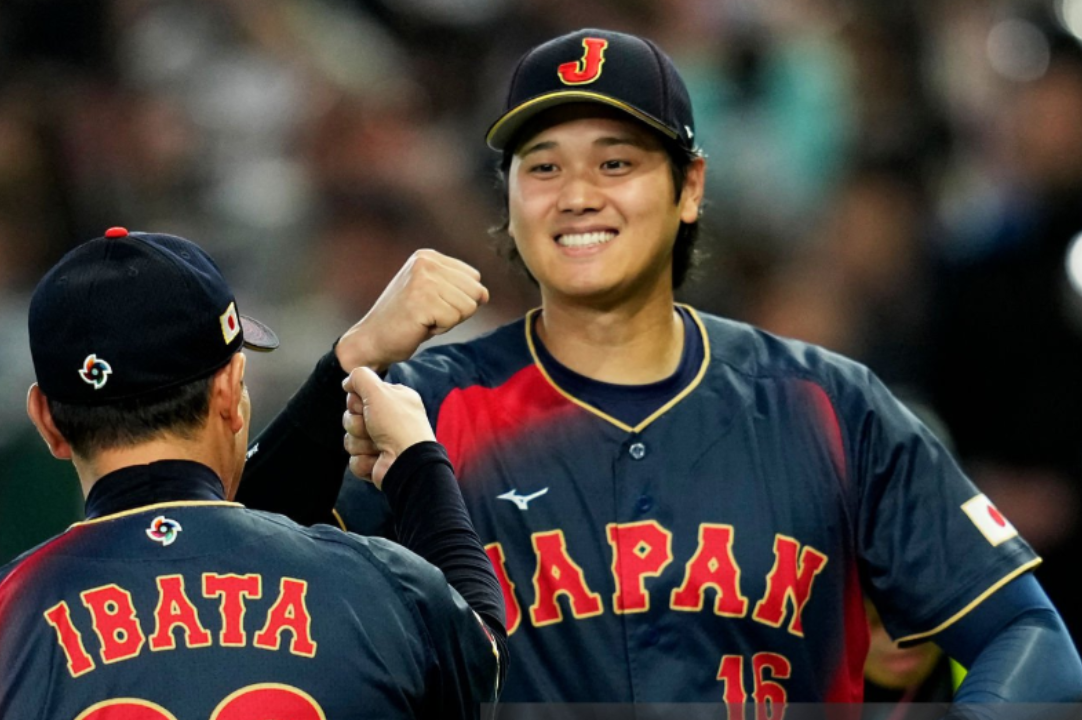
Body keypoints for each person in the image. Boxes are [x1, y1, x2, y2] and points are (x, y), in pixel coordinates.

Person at [237, 28, 1082, 710]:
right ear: (508, 199)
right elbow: (231, 567)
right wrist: (350, 362)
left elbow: (1031, 640)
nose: (577, 194)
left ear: (689, 188)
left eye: (617, 162)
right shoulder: (428, 404)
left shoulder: (825, 404)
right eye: (542, 167)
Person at [0, 227, 505, 720]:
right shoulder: (370, 586)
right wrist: (418, 462)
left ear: (47, 421)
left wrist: (346, 363)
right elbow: (482, 654)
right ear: (231, 389)